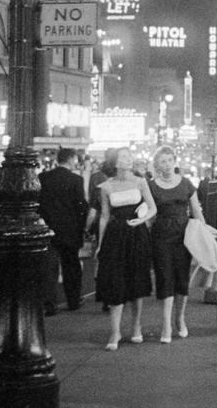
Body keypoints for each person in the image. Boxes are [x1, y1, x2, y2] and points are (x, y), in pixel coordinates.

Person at [96, 147, 156, 350]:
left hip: (137, 234)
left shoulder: (140, 182)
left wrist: (142, 221)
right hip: (115, 234)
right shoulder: (106, 186)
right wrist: (100, 244)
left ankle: (136, 326)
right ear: (115, 162)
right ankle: (115, 331)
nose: (129, 159)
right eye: (124, 157)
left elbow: (152, 208)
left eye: (130, 156)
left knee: (136, 278)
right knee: (115, 281)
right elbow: (104, 216)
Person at [148, 145, 202, 343]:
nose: (167, 165)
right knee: (164, 277)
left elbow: (196, 210)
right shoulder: (151, 186)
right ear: (157, 165)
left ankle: (180, 319)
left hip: (183, 235)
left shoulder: (186, 184)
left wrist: (204, 233)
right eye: (163, 161)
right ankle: (166, 325)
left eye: (170, 160)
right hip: (161, 236)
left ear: (175, 161)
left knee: (181, 277)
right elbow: (149, 213)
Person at [39, 147, 90, 315]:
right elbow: (80, 205)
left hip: (49, 228)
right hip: (70, 228)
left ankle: (49, 304)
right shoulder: (76, 180)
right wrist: (83, 226)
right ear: (71, 159)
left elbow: (40, 203)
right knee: (71, 266)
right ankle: (73, 300)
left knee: (49, 267)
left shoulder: (44, 177)